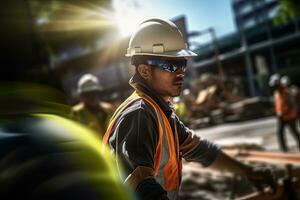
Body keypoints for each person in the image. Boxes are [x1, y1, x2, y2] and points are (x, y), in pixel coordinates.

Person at [102, 18, 275, 200]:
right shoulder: (139, 114)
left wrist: (247, 171)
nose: (180, 72)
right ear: (145, 71)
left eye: (182, 64)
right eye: (171, 65)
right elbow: (140, 185)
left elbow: (199, 149)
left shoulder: (159, 111)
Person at [71, 74, 113, 138]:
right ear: (82, 96)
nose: (91, 97)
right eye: (87, 94)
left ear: (97, 92)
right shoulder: (76, 113)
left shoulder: (108, 109)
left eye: (93, 93)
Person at [272, 75, 300, 151]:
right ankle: (284, 150)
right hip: (281, 116)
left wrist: (292, 113)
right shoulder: (276, 93)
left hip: (289, 116)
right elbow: (278, 104)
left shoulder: (287, 92)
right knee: (280, 133)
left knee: (294, 132)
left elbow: (292, 104)